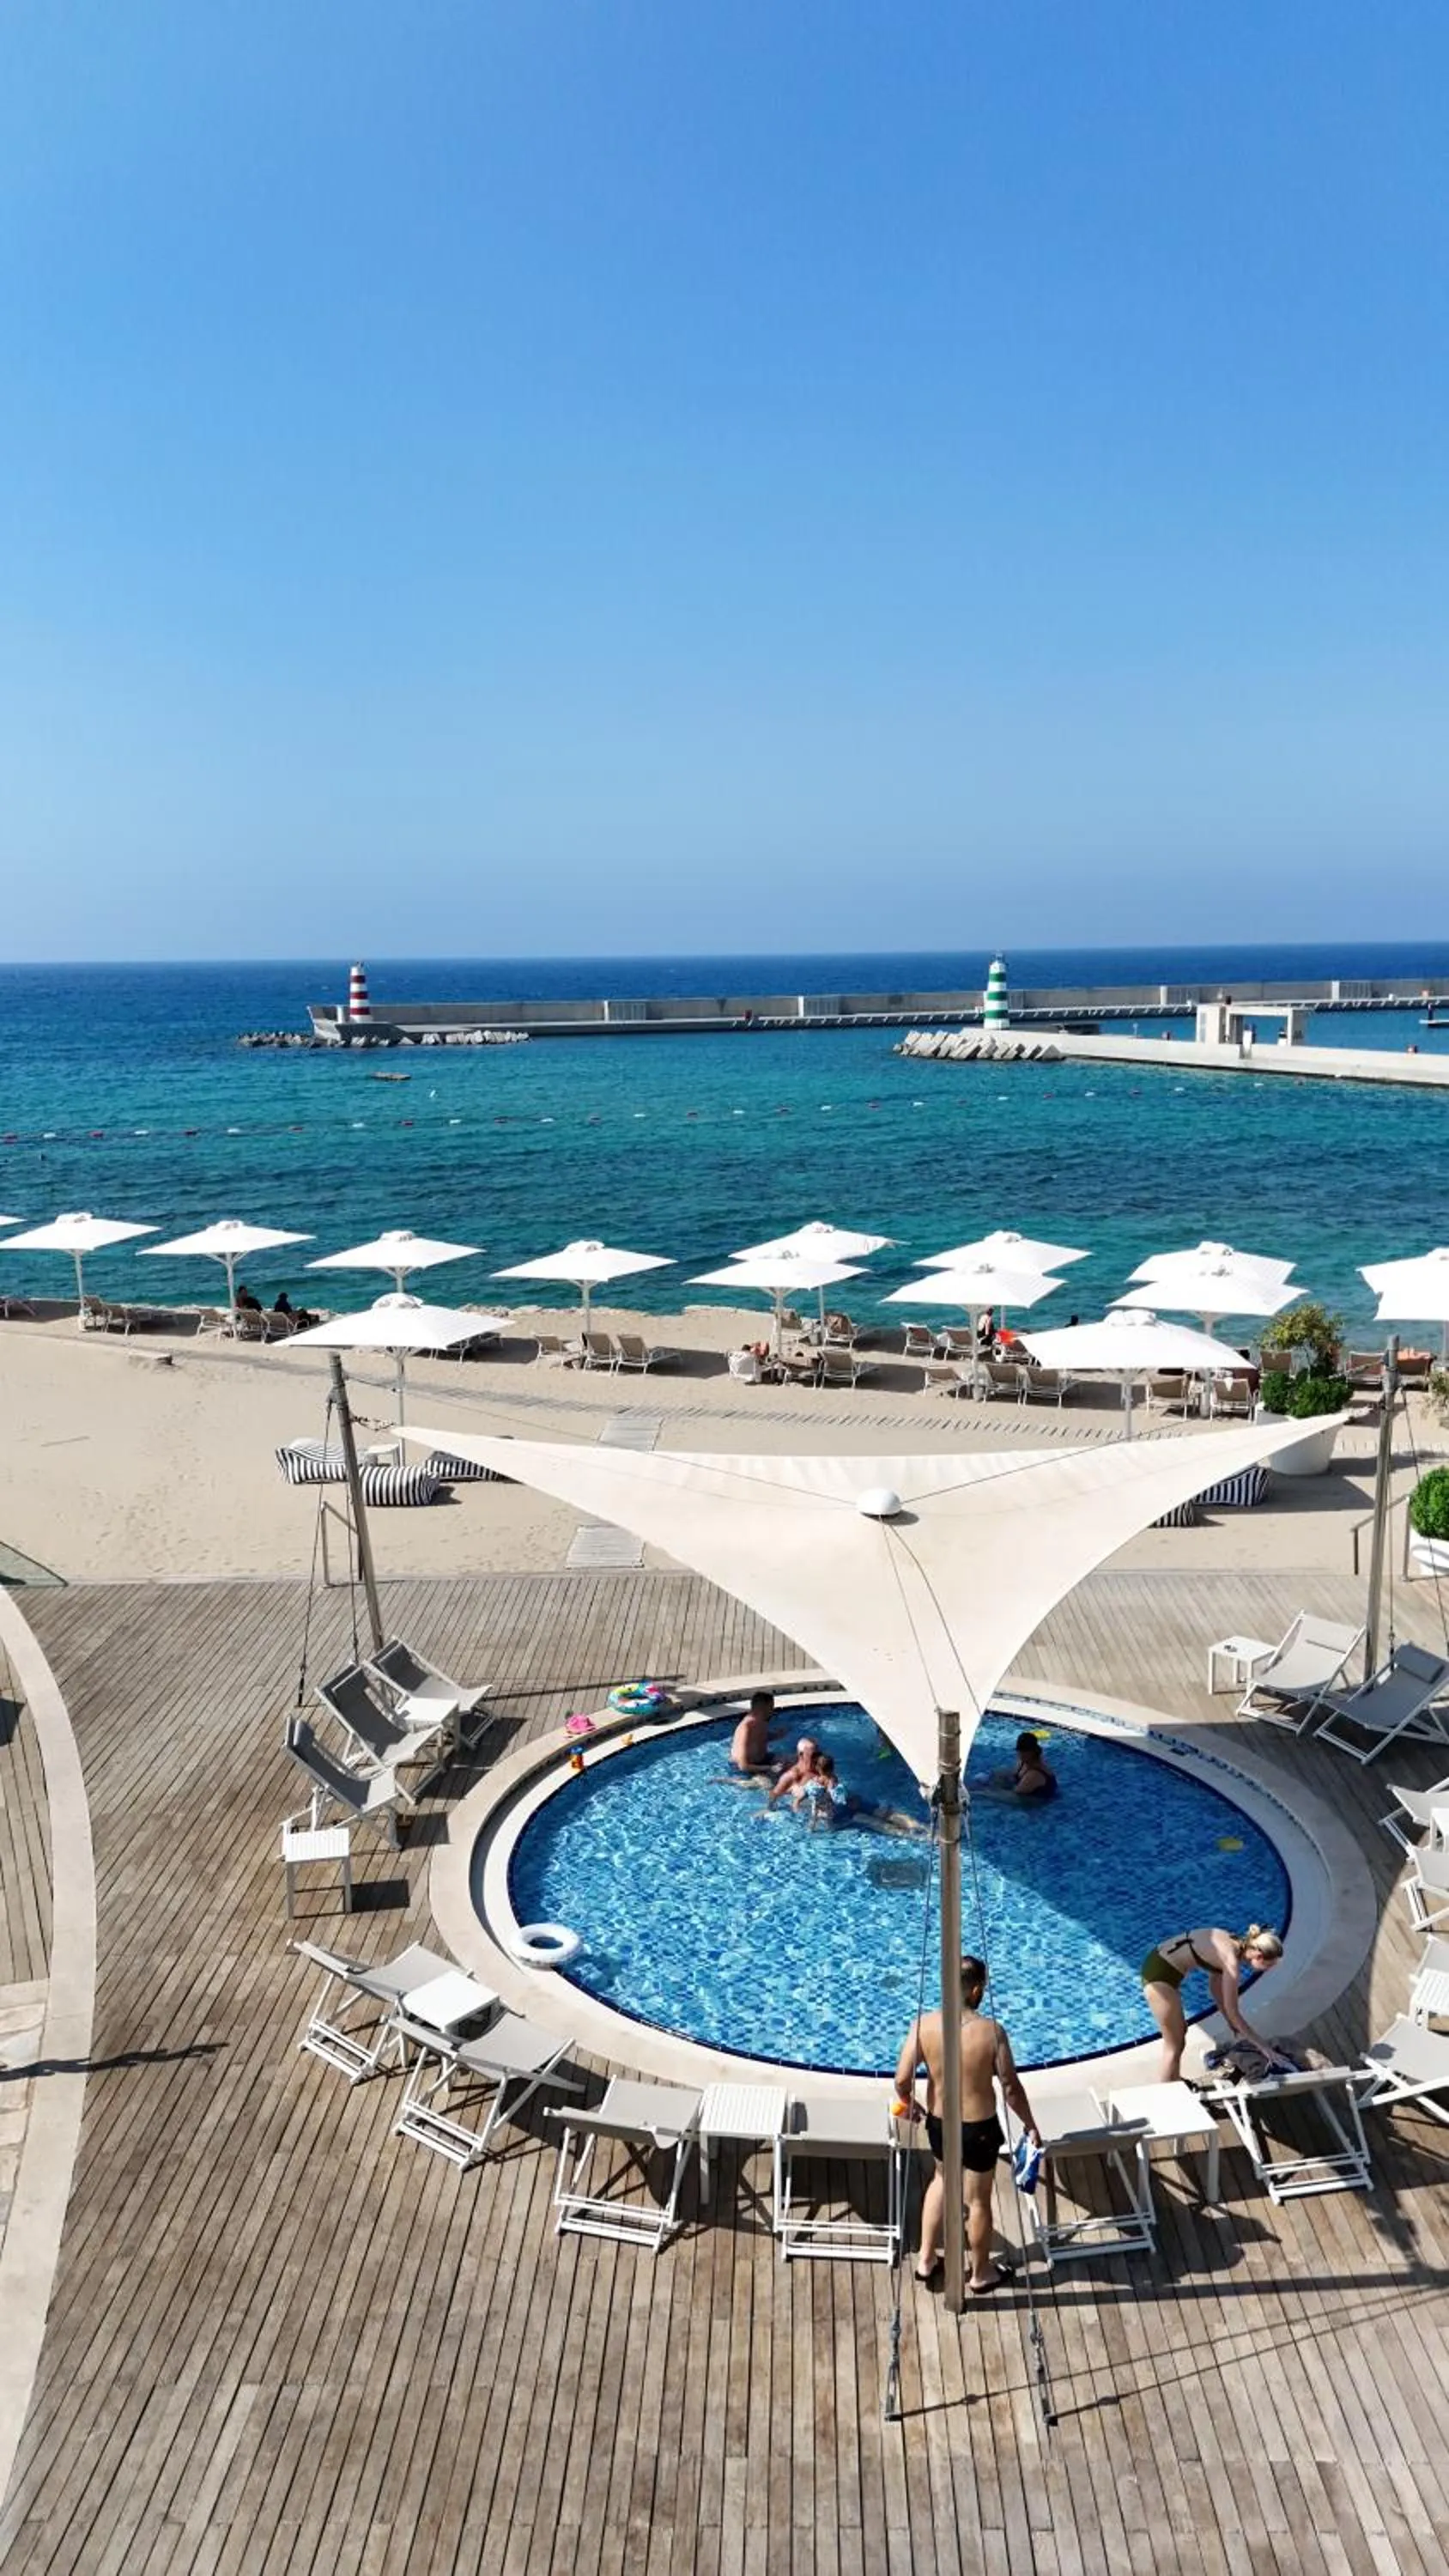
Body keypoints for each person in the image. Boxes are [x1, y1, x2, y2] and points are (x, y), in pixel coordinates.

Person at [894, 1957, 1040, 2291]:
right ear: (976, 1990)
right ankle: (980, 2273)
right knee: (978, 2200)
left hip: (940, 2123)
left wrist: (912, 2106)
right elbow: (1010, 2089)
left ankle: (927, 2259)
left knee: (942, 2180)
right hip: (980, 2129)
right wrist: (1030, 2125)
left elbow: (902, 2080)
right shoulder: (992, 2032)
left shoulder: (923, 2026)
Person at [1140, 1924, 1287, 2084]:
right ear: (1259, 1956)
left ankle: (1173, 2080)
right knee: (1174, 2046)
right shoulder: (1230, 1962)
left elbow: (1216, 1991)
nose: (1268, 1970)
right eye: (1269, 1965)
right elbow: (1234, 2011)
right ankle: (1167, 2093)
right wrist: (1264, 2047)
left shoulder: (1232, 1942)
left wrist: (1232, 2023)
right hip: (1159, 1977)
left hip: (1158, 1962)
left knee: (1180, 2030)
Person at [803, 1753, 926, 1837]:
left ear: (817, 1769)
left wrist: (810, 1824)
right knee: (876, 1818)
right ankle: (920, 1831)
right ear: (832, 1768)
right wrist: (851, 1800)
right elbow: (838, 1800)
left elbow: (812, 1799)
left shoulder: (812, 1784)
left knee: (878, 1815)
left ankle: (914, 1834)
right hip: (840, 1817)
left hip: (837, 1814)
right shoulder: (832, 1781)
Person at [979, 1731, 1057, 1802]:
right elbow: (1014, 1775)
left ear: (1032, 1752)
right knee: (998, 1772)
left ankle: (980, 1792)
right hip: (1023, 1787)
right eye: (1020, 1751)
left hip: (1037, 1800)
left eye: (1023, 1752)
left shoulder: (1035, 1774)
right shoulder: (1023, 1761)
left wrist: (988, 1792)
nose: (1020, 1754)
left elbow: (1016, 1793)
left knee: (994, 1795)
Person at [729, 1691, 778, 1774]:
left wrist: (777, 1735)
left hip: (762, 1761)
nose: (773, 1710)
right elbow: (743, 1766)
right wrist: (770, 1768)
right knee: (767, 1785)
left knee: (792, 1761)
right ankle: (736, 1781)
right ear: (764, 1708)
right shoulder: (746, 1728)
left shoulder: (762, 1722)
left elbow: (758, 1739)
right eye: (771, 1707)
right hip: (746, 1769)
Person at [767, 1737, 821, 1804]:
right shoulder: (790, 1776)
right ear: (801, 1755)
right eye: (814, 1755)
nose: (818, 1757)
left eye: (819, 1754)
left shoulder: (820, 1769)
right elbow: (774, 1795)